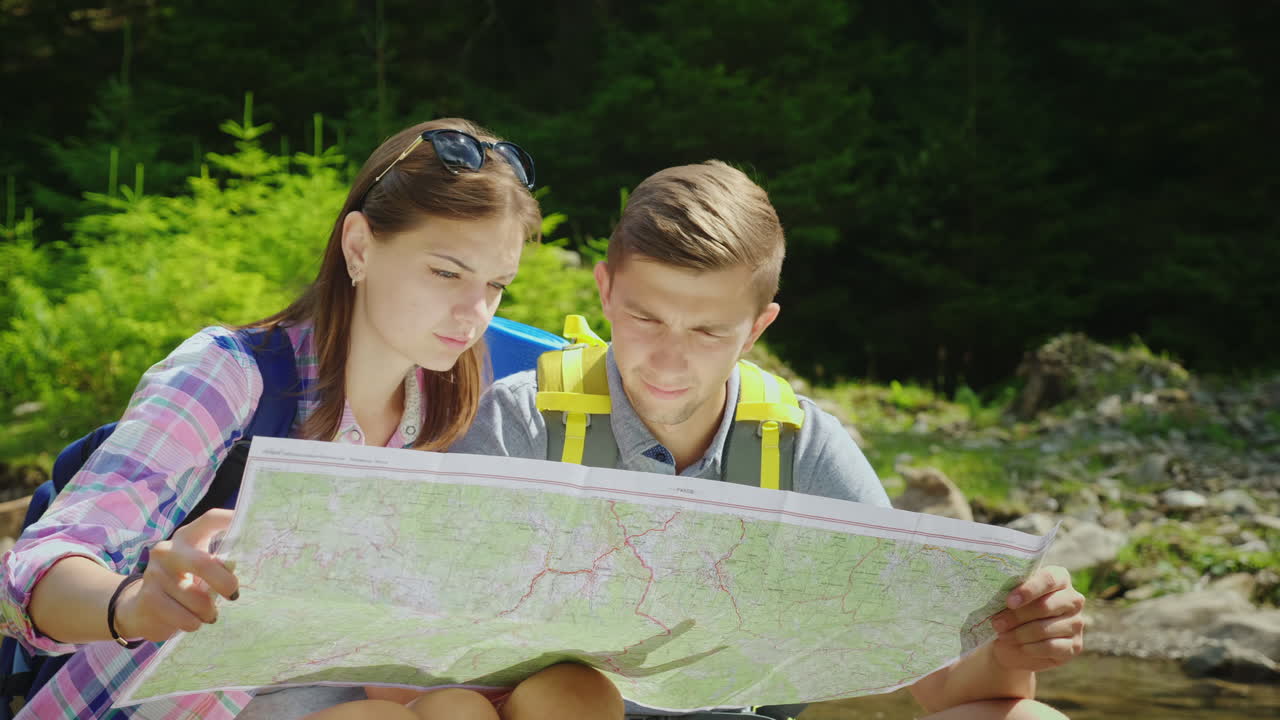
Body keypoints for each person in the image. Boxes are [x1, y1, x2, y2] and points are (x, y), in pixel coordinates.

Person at [0, 118, 618, 720]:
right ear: (358, 246)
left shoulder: (448, 408)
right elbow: (31, 578)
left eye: (496, 285)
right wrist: (134, 604)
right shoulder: (229, 375)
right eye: (445, 272)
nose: (473, 311)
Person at [451, 161, 1085, 720]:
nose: (670, 362)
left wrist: (1013, 644)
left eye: (708, 333)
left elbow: (946, 687)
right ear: (607, 292)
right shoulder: (519, 423)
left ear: (757, 327)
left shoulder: (803, 448)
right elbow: (432, 663)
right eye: (646, 319)